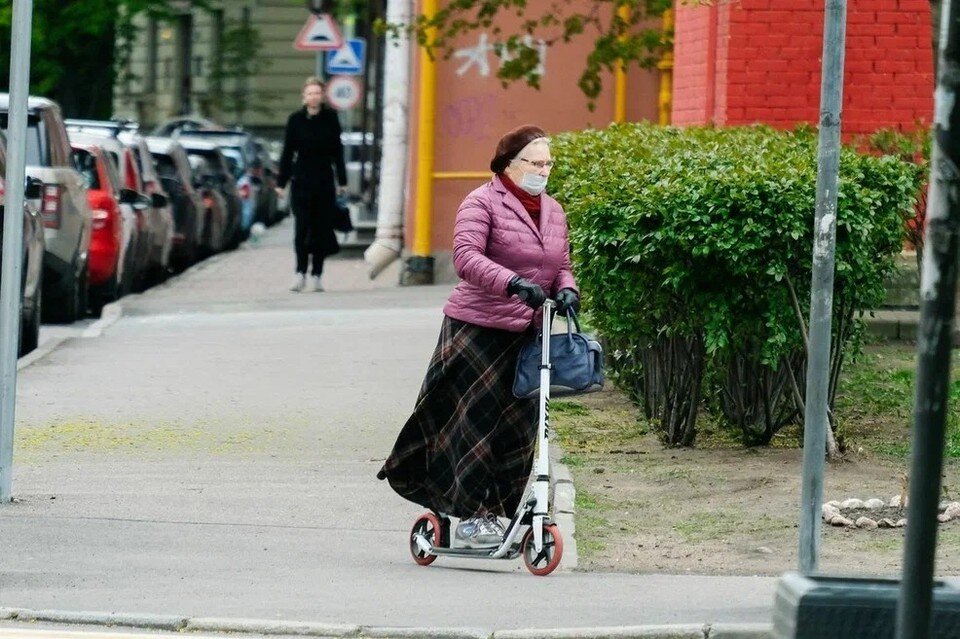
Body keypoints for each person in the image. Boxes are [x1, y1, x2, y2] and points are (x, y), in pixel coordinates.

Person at [377, 125, 581, 547]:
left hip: (527, 331)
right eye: (536, 163)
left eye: (548, 163)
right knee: (473, 421)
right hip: (478, 328)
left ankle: (505, 511)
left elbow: (560, 262)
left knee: (521, 425)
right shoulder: (482, 201)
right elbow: (466, 257)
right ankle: (470, 512)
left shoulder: (553, 210)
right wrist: (511, 283)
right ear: (510, 164)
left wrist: (566, 288)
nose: (544, 171)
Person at [275, 76, 347, 293]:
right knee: (301, 228)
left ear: (322, 96)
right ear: (304, 97)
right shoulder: (295, 120)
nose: (314, 97)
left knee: (320, 229)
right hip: (301, 180)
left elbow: (337, 151)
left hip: (324, 180)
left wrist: (342, 181)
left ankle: (317, 274)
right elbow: (287, 153)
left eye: (317, 93)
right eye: (310, 93)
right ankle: (299, 272)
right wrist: (281, 183)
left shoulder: (330, 119)